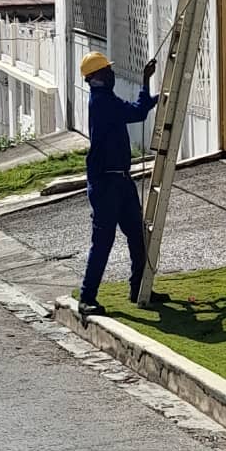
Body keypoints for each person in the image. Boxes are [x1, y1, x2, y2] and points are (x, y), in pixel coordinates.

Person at [77, 51, 169, 316]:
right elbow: (137, 113)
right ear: (94, 78)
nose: (111, 74)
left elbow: (135, 110)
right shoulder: (102, 102)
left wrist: (154, 97)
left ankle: (139, 288)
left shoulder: (106, 98)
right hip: (106, 183)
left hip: (121, 179)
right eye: (106, 71)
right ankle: (87, 298)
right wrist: (146, 85)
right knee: (103, 241)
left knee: (138, 237)